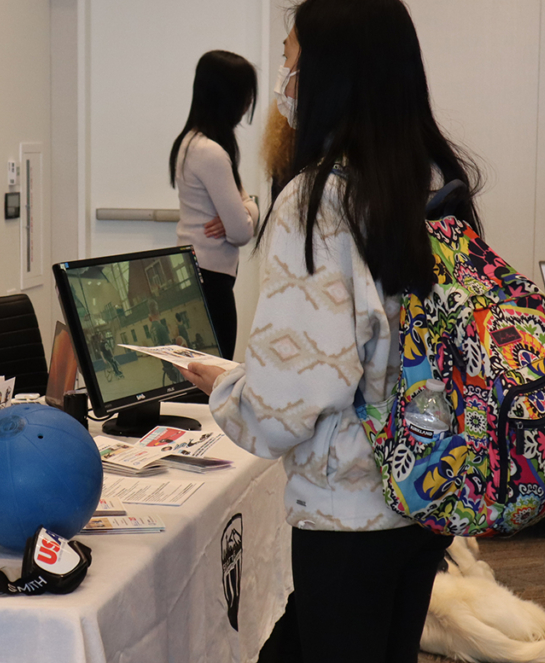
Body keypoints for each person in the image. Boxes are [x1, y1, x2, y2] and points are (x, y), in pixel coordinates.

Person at [180, 1, 481, 660]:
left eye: (290, 63)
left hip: (349, 511)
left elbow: (291, 398)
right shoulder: (436, 182)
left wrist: (226, 387)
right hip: (428, 492)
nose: (284, 85)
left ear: (329, 78)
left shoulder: (317, 203)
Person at [169, 50, 259, 360]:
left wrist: (248, 207)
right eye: (246, 95)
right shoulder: (211, 152)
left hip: (197, 273)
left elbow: (244, 210)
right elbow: (241, 232)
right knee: (212, 379)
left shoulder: (193, 142)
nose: (248, 104)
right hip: (210, 281)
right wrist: (249, 209)